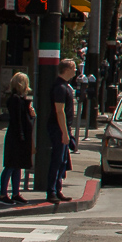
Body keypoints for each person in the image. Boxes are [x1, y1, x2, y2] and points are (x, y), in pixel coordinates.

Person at [43, 60, 77, 203]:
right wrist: (64, 132)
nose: (75, 71)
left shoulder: (66, 86)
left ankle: (58, 189)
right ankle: (51, 191)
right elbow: (59, 111)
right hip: (58, 128)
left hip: (64, 127)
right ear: (67, 69)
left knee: (63, 161)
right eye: (74, 68)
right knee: (57, 160)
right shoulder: (59, 87)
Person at [0, 73, 34, 205]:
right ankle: (3, 194)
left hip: (19, 135)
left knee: (18, 166)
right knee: (11, 165)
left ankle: (15, 193)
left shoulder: (20, 99)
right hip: (16, 137)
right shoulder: (15, 100)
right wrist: (21, 136)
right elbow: (17, 120)